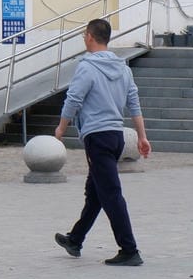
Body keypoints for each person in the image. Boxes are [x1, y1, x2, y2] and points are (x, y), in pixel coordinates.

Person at [53, 18, 150, 266]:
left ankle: (129, 250)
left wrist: (61, 129)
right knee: (96, 191)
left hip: (97, 137)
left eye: (84, 35)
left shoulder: (87, 67)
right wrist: (142, 136)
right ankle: (75, 239)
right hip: (116, 136)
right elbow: (134, 102)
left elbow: (73, 99)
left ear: (89, 36)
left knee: (111, 193)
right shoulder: (123, 68)